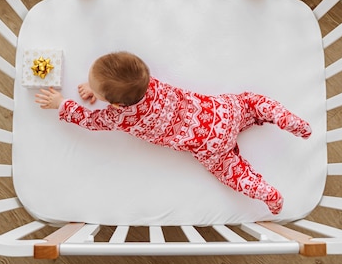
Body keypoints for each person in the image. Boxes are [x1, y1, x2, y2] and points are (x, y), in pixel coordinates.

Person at [35, 51, 311, 214]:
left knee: (232, 170)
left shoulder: (118, 117)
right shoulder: (147, 82)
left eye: (96, 90)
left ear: (115, 104)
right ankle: (284, 118)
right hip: (223, 112)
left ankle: (266, 193)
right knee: (251, 102)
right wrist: (96, 88)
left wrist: (62, 104)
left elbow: (88, 120)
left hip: (209, 145)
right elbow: (120, 81)